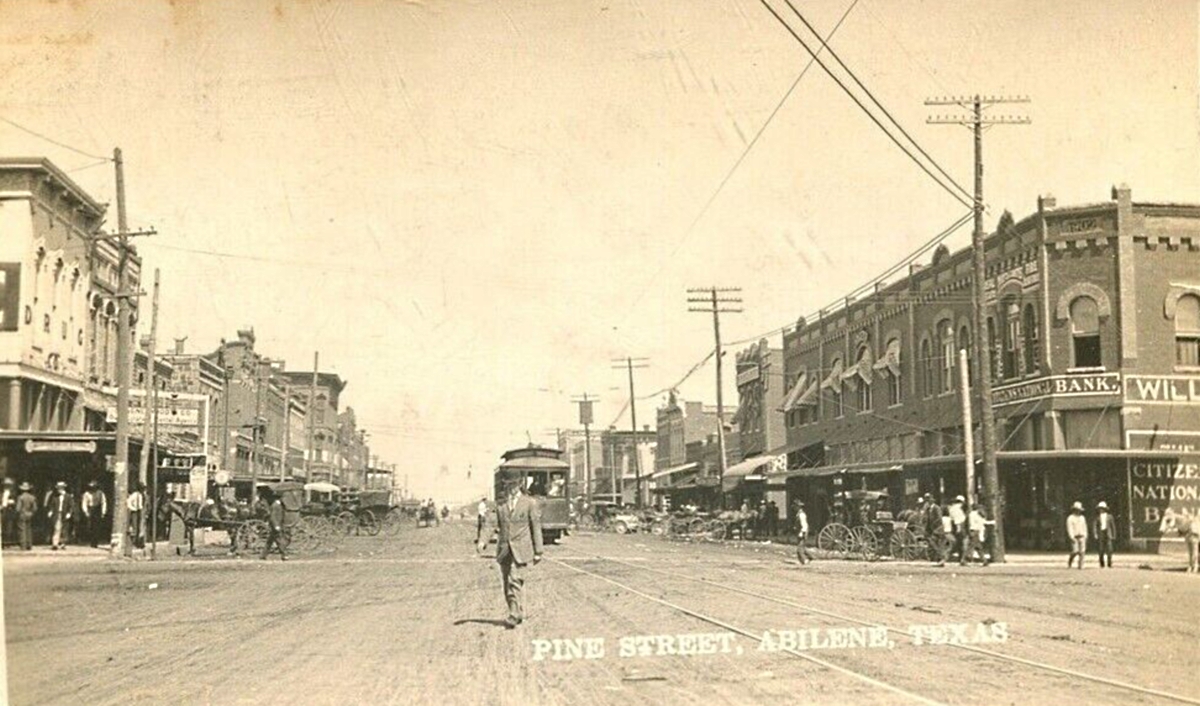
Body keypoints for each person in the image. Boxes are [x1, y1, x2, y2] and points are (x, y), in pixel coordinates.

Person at [478, 475, 543, 629]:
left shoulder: (529, 503)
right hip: (504, 549)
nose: (512, 488)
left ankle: (514, 614)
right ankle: (517, 610)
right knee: (507, 581)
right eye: (509, 485)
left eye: (514, 485)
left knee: (515, 579)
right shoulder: (500, 505)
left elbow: (535, 526)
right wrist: (482, 541)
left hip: (522, 549)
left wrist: (538, 550)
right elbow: (490, 524)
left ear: (520, 484)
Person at [259, 489, 288, 561]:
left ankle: (263, 555)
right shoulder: (276, 505)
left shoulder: (277, 505)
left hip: (276, 524)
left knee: (270, 541)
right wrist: (276, 525)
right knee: (279, 540)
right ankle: (284, 554)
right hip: (275, 525)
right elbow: (273, 516)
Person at [46, 481, 75, 550]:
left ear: (63, 488)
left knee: (64, 529)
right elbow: (51, 505)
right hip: (57, 513)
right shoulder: (55, 496)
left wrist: (69, 513)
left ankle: (63, 543)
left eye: (60, 488)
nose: (59, 490)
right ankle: (55, 543)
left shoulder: (68, 496)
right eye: (58, 488)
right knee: (57, 528)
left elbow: (71, 506)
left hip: (64, 514)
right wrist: (50, 511)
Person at [80, 481, 108, 548]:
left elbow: (103, 502)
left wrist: (103, 512)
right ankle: (90, 540)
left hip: (97, 509)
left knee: (97, 526)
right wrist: (86, 511)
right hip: (90, 509)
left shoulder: (100, 493)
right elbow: (84, 503)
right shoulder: (86, 494)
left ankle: (95, 542)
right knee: (90, 526)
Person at [1093, 501, 1117, 568]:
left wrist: (1114, 534)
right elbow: (1094, 526)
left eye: (1102, 508)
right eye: (1100, 508)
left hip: (1108, 533)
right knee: (1101, 549)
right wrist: (1095, 534)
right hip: (1101, 533)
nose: (1101, 510)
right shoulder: (1097, 517)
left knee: (1109, 549)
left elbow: (1113, 526)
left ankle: (1109, 563)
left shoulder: (1109, 516)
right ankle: (1102, 563)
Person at [1066, 501, 1088, 569]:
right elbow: (1069, 528)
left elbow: (1085, 527)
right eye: (1077, 510)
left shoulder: (1082, 518)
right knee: (1075, 551)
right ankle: (1070, 560)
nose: (1078, 511)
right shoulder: (1070, 518)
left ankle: (1080, 565)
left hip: (1082, 535)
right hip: (1075, 536)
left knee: (1082, 551)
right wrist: (1071, 536)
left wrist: (1085, 535)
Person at [15, 482, 37, 550]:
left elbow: (17, 508)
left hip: (22, 514)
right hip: (29, 514)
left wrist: (17, 513)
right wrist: (31, 513)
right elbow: (35, 508)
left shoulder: (20, 497)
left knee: (22, 530)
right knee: (29, 529)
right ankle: (29, 544)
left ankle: (23, 545)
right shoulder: (32, 497)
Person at [947, 495, 967, 561]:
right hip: (960, 527)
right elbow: (957, 520)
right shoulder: (957, 509)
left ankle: (961, 558)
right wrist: (959, 529)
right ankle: (962, 559)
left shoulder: (952, 508)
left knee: (959, 543)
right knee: (963, 543)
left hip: (956, 527)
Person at [128, 482, 146, 550]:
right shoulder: (135, 495)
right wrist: (133, 508)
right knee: (134, 527)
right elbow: (129, 502)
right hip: (135, 511)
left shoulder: (143, 495)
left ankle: (139, 543)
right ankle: (133, 543)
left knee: (140, 527)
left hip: (141, 511)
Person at [795, 500, 812, 565]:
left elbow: (804, 525)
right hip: (801, 531)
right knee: (802, 547)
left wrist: (802, 533)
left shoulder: (801, 515)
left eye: (796, 506)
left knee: (799, 549)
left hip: (803, 531)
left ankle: (804, 561)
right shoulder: (799, 514)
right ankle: (810, 557)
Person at [1, 478, 15, 547]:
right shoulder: (2, 493)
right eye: (6, 485)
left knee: (9, 527)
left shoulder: (13, 493)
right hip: (3, 511)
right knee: (2, 526)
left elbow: (14, 502)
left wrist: (9, 503)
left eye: (8, 485)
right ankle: (3, 542)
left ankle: (8, 542)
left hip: (9, 511)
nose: (7, 486)